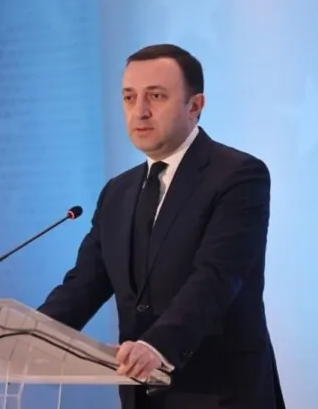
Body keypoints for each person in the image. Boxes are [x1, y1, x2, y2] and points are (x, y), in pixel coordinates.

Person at [37, 43, 285, 409]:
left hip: (220, 394)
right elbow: (83, 286)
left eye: (156, 96)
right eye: (129, 97)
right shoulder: (117, 191)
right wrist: (21, 337)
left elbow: (217, 278)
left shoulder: (238, 176)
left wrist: (157, 345)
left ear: (195, 105)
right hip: (142, 397)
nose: (139, 111)